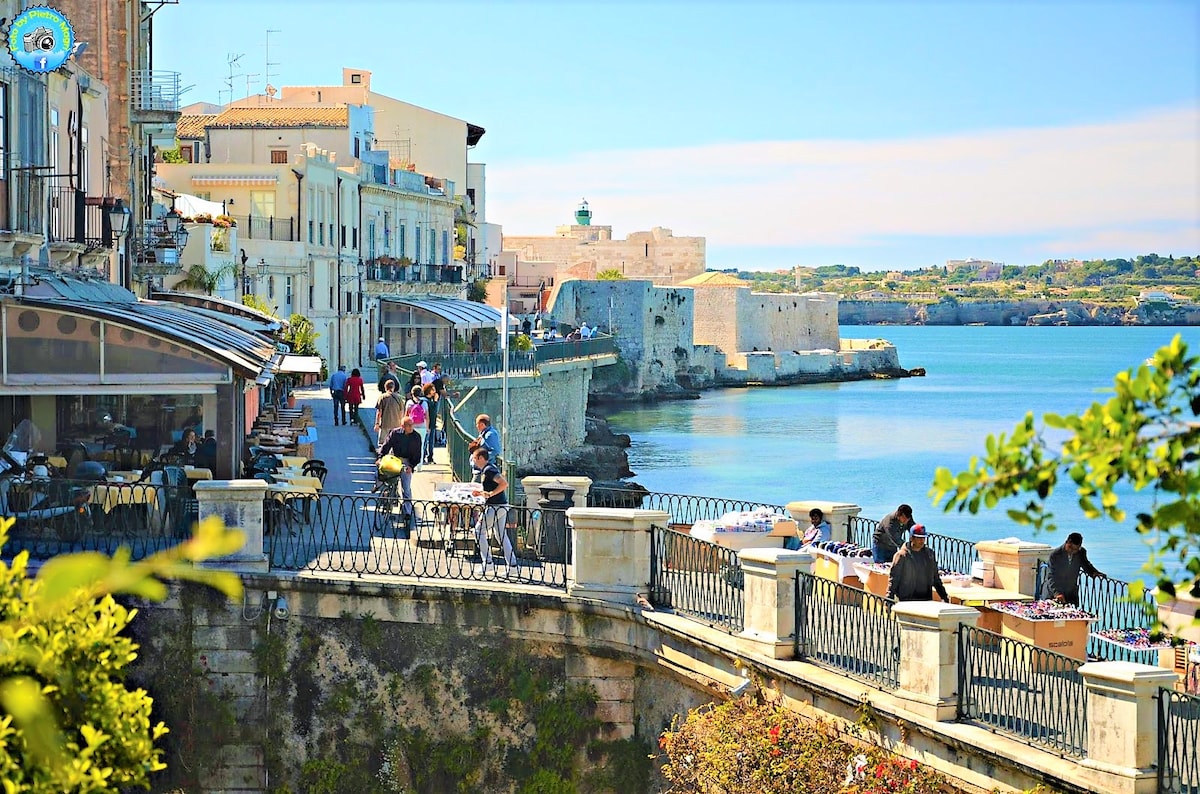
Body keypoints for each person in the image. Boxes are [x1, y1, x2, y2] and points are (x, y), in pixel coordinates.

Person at [471, 446, 516, 573]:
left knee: (479, 531)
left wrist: (491, 494)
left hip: (495, 506)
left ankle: (488, 562)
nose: (473, 461)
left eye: (474, 458)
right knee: (501, 535)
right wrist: (481, 493)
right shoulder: (489, 469)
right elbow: (493, 487)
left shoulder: (488, 470)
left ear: (480, 458)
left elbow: (504, 483)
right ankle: (512, 565)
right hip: (501, 505)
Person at [886, 525, 950, 603]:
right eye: (919, 538)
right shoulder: (901, 555)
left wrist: (944, 596)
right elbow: (894, 579)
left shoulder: (929, 555)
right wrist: (889, 599)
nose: (922, 540)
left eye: (923, 538)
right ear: (911, 538)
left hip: (925, 600)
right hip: (906, 601)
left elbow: (935, 578)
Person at [378, 416, 422, 520]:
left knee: (406, 486)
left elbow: (417, 454)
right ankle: (385, 493)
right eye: (409, 425)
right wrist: (380, 458)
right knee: (384, 474)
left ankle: (407, 511)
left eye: (412, 425)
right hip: (395, 458)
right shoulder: (395, 433)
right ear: (403, 426)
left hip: (407, 461)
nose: (411, 427)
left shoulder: (416, 437)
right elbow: (386, 445)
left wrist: (411, 466)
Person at [1045, 532, 1105, 605]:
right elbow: (1051, 576)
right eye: (1071, 548)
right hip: (1055, 594)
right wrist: (1057, 593)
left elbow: (1086, 564)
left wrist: (1094, 572)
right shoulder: (1055, 555)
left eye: (1076, 549)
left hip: (1071, 594)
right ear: (1067, 542)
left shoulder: (1081, 552)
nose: (1073, 551)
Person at [374, 379, 406, 449]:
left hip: (385, 425)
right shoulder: (399, 398)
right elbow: (402, 412)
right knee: (395, 445)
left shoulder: (382, 397)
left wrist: (377, 423)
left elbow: (379, 412)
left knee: (382, 444)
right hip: (396, 425)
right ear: (393, 387)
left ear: (385, 387)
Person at [404, 386, 428, 469]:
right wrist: (427, 427)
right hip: (422, 427)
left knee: (410, 446)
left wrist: (404, 426)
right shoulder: (424, 403)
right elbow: (427, 416)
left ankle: (411, 464)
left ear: (412, 393)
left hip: (411, 426)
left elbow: (406, 415)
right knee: (421, 446)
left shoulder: (409, 403)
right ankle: (419, 466)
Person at [422, 384, 440, 464]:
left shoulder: (430, 400)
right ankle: (424, 457)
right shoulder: (426, 401)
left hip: (432, 423)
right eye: (433, 390)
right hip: (427, 424)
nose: (434, 391)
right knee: (426, 442)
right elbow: (434, 411)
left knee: (430, 442)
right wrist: (436, 401)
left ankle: (430, 457)